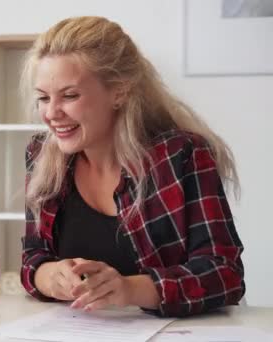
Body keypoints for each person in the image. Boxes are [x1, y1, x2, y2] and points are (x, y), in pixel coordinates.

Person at [20, 16, 245, 316]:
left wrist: (130, 289)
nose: (51, 113)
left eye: (70, 95)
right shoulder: (41, 156)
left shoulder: (182, 155)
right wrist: (49, 277)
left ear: (119, 92)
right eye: (43, 98)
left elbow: (225, 274)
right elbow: (33, 257)